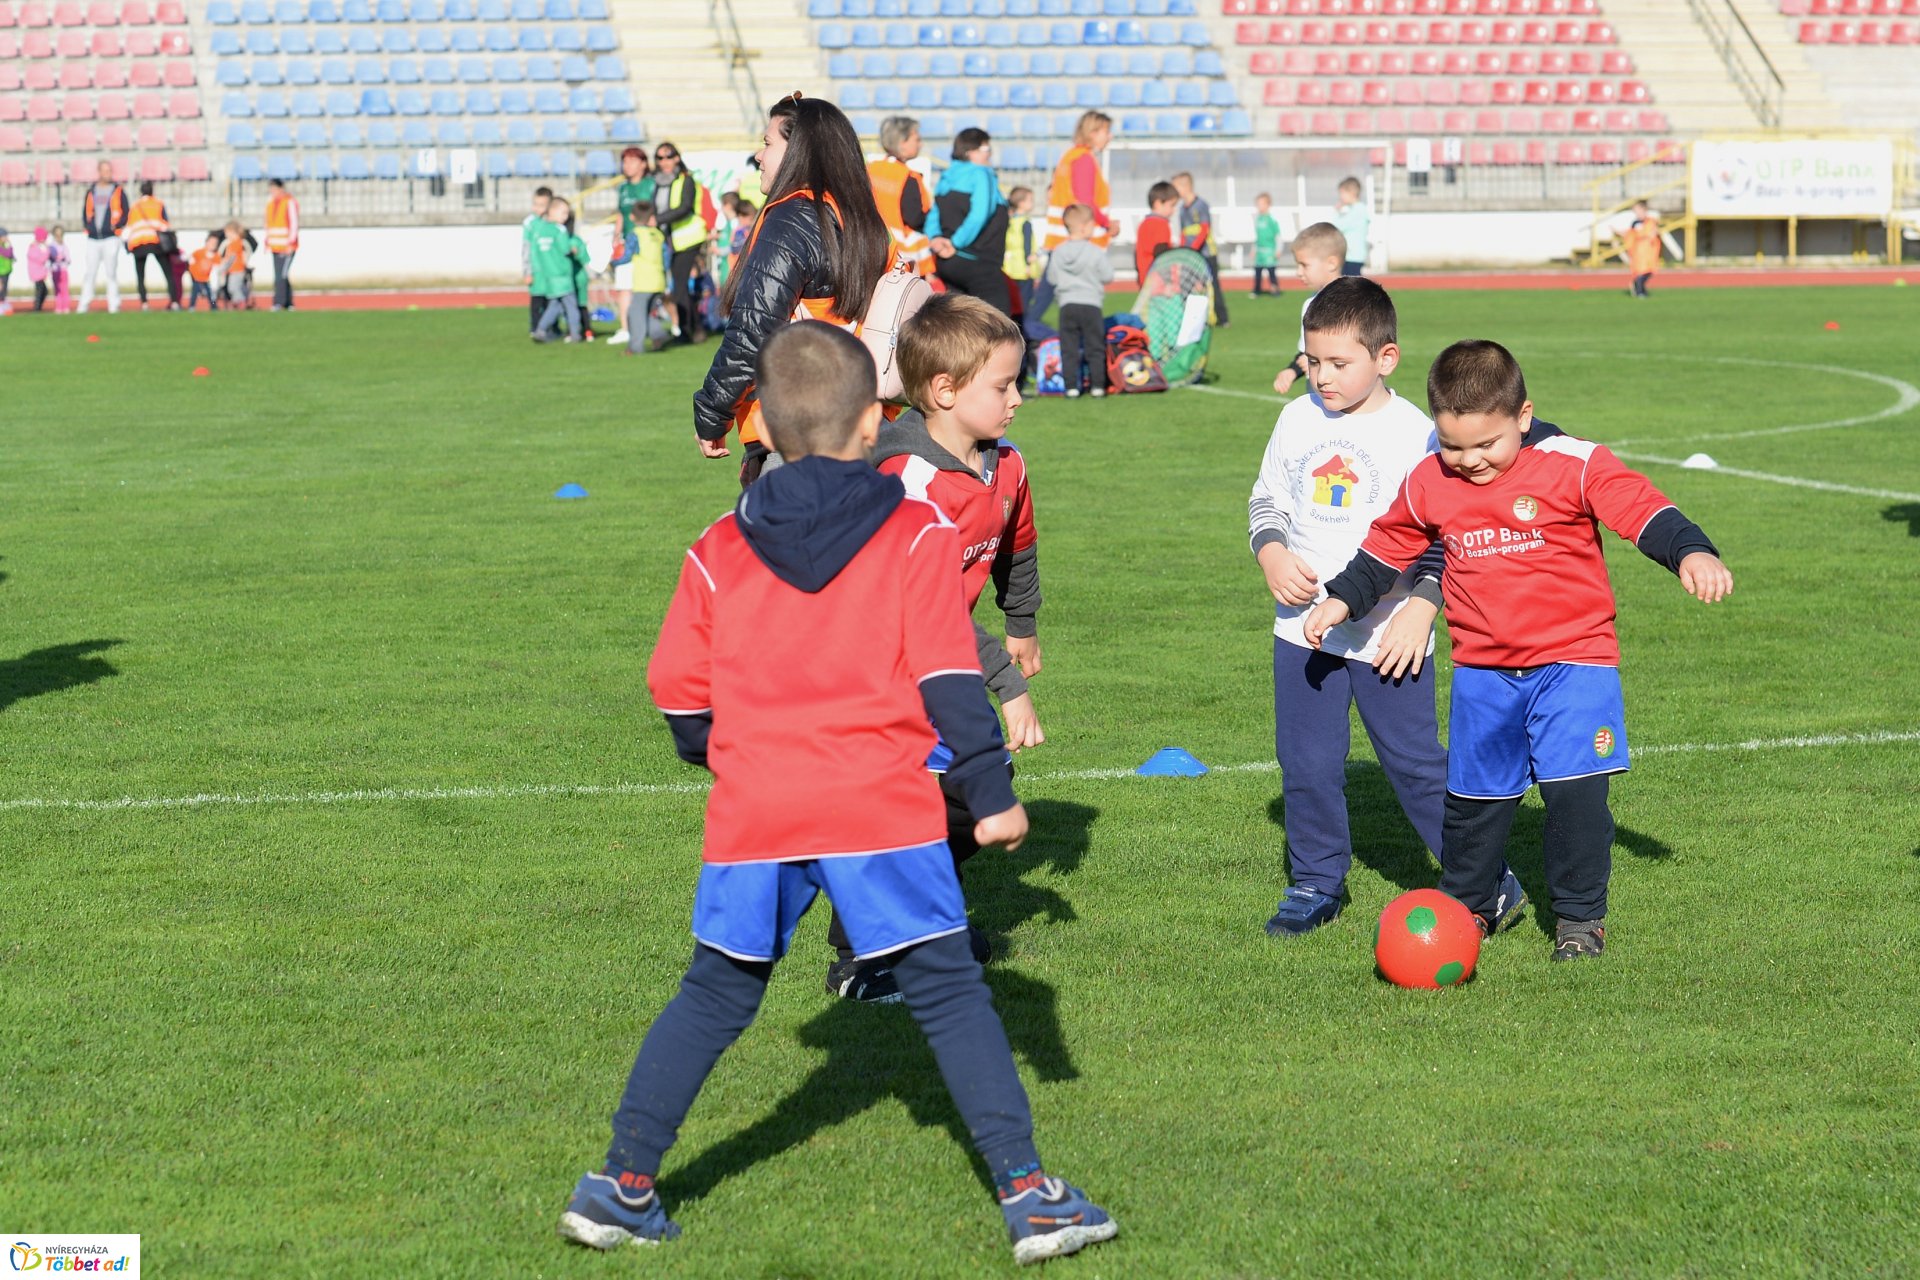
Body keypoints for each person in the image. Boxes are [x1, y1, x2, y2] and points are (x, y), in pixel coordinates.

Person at [556, 320, 1116, 1266]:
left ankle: (620, 1186)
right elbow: (948, 675)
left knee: (715, 992)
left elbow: (677, 696)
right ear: (871, 423)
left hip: (756, 809)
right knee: (949, 991)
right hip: (879, 803)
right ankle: (1032, 1199)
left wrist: (737, 755)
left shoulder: (716, 545)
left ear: (766, 428)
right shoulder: (915, 531)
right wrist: (989, 790)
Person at [1304, 339, 1734, 960]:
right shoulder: (1429, 480)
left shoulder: (1572, 463)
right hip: (1484, 670)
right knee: (1474, 803)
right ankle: (1470, 907)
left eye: (1486, 444)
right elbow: (1387, 547)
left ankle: (1579, 920)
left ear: (1523, 417)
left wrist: (1691, 551)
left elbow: (1640, 507)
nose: (1469, 461)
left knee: (1575, 795)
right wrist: (1342, 599)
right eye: (1453, 445)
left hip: (1574, 662)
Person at [1248, 278, 1525, 936]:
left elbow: (1445, 534)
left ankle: (1485, 882)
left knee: (1415, 766)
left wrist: (1422, 606)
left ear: (1386, 358)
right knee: (1307, 763)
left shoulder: (1419, 436)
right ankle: (1316, 882)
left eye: (1339, 363)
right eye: (1313, 361)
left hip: (1389, 637)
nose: (1322, 376)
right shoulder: (1295, 419)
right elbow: (1267, 499)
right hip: (1303, 630)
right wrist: (1272, 554)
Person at [822, 293, 1045, 1002]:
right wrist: (1007, 681)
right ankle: (861, 961)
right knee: (911, 803)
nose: (1017, 399)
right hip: (876, 669)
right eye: (1003, 386)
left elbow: (1017, 545)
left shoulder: (1005, 465)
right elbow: (926, 605)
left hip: (937, 660)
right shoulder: (906, 482)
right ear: (945, 391)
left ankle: (918, 922)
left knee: (971, 792)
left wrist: (1021, 622)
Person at [692, 93, 892, 485]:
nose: (759, 156)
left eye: (767, 143)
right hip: (868, 420)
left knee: (786, 526)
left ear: (800, 151)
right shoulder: (861, 217)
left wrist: (712, 411)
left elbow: (754, 329)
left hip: (803, 426)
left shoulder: (795, 217)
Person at [926, 128, 1013, 317]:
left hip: (947, 261)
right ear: (970, 151)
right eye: (986, 148)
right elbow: (979, 214)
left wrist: (936, 240)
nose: (990, 153)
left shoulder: (947, 175)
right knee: (999, 323)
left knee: (962, 323)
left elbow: (934, 214)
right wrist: (955, 243)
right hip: (976, 261)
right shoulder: (981, 174)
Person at [1045, 204, 1113, 400]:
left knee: (1069, 348)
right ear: (1084, 227)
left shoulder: (1058, 252)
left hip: (1067, 305)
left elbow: (1051, 278)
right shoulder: (1095, 251)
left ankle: (1071, 387)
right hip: (1091, 304)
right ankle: (1097, 385)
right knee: (1095, 346)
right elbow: (1108, 276)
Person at [1272, 222, 1346, 396]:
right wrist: (1292, 370)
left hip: (1345, 399)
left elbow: (1356, 352)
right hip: (1317, 397)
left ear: (1331, 263)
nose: (1298, 272)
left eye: (1304, 265)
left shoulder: (1354, 304)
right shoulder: (1310, 304)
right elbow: (1306, 350)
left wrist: (1319, 361)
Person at [651, 140, 708, 344]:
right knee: (679, 287)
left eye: (668, 156)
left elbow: (685, 207)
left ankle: (686, 331)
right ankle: (696, 328)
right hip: (672, 240)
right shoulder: (659, 182)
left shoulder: (686, 179)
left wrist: (657, 219)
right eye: (660, 157)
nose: (664, 161)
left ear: (676, 158)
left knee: (680, 287)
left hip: (688, 238)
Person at [868, 114, 934, 277]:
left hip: (872, 249)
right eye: (917, 139)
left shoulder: (870, 168)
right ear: (902, 142)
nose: (920, 144)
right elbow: (915, 218)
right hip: (902, 258)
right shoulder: (908, 177)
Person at [1042, 110, 1112, 252]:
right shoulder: (1083, 159)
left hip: (1065, 242)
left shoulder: (1072, 156)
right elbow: (1085, 202)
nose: (1110, 136)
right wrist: (1108, 224)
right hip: (1080, 246)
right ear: (1092, 133)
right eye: (1106, 132)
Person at [608, 149, 654, 345]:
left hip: (647, 243)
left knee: (648, 287)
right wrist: (616, 236)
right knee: (624, 287)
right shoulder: (623, 188)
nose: (627, 165)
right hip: (628, 243)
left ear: (643, 164)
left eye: (632, 161)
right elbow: (621, 214)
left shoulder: (651, 185)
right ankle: (626, 328)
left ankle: (653, 326)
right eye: (624, 161)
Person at [1170, 171, 1227, 326]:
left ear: (1185, 187)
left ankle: (1222, 318)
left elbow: (1204, 229)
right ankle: (1193, 319)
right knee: (1188, 286)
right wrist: (1183, 250)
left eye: (1175, 188)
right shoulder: (1182, 209)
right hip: (1190, 255)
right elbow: (1183, 232)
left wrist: (1193, 249)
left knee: (1212, 285)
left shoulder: (1201, 205)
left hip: (1206, 253)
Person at [529, 196, 587, 343]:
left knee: (554, 306)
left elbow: (535, 252)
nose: (565, 217)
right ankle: (575, 334)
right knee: (571, 306)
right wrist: (574, 249)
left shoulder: (541, 229)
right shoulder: (560, 229)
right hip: (563, 275)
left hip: (548, 275)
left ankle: (540, 330)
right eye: (563, 213)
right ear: (553, 211)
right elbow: (565, 248)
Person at [76, 160, 129, 315]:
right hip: (93, 238)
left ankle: (114, 305)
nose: (108, 174)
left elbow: (126, 212)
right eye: (105, 171)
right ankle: (84, 305)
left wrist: (116, 226)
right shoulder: (92, 191)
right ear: (99, 172)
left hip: (110, 237)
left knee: (111, 272)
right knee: (90, 272)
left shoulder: (118, 191)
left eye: (109, 170)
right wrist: (88, 226)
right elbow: (85, 212)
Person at [125, 181, 180, 311]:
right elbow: (165, 224)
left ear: (140, 191)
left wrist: (127, 245)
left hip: (138, 242)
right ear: (152, 191)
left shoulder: (135, 206)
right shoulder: (158, 204)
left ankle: (144, 303)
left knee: (140, 275)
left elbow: (129, 227)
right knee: (168, 273)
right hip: (156, 241)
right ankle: (174, 302)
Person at [622, 204, 670, 355]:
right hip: (659, 280)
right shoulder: (658, 235)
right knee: (648, 312)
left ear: (632, 217)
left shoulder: (635, 235)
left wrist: (612, 262)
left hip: (643, 281)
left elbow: (626, 256)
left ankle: (635, 347)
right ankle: (658, 335)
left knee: (635, 314)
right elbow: (666, 258)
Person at [1000, 186, 1041, 315]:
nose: (1032, 203)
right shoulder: (1025, 222)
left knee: (1012, 301)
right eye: (1030, 200)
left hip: (1010, 267)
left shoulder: (1009, 220)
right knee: (1024, 303)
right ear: (1021, 203)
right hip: (1023, 269)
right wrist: (1028, 264)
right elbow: (1026, 244)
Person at [264, 178, 300, 311]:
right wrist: (267, 240)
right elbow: (268, 223)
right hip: (275, 245)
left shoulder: (289, 202)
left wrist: (291, 242)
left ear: (281, 189)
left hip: (286, 246)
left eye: (274, 189)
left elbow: (294, 223)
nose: (272, 192)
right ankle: (289, 302)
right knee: (280, 274)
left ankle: (278, 302)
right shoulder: (270, 203)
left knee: (281, 275)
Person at [521, 185, 553, 335]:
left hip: (551, 271)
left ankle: (551, 328)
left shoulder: (552, 222)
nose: (537, 208)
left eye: (542, 205)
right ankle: (535, 328)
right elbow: (526, 249)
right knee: (537, 302)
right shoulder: (530, 223)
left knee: (552, 301)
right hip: (536, 270)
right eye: (535, 204)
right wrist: (527, 271)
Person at [1133, 181, 1178, 285]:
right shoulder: (1161, 224)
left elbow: (1137, 253)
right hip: (1158, 280)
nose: (1174, 210)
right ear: (1158, 204)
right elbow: (1161, 253)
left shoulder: (1143, 224)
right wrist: (1169, 279)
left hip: (1145, 278)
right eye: (1172, 205)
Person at [1332, 176, 1370, 276]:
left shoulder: (1358, 210)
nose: (1340, 197)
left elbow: (1337, 226)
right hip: (1350, 255)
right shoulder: (1355, 210)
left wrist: (1337, 212)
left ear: (1351, 192)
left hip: (1353, 255)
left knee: (1350, 283)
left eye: (1342, 193)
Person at [1624, 200, 1661, 298]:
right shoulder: (1635, 223)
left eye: (1638, 210)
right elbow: (1630, 234)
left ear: (1644, 210)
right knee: (1641, 271)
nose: (1636, 213)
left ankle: (1639, 287)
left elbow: (1655, 232)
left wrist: (1654, 233)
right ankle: (1640, 291)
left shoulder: (1651, 221)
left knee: (1650, 270)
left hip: (1650, 250)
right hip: (1639, 251)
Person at [1252, 192, 1282, 297]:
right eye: (1258, 204)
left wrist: (1278, 249)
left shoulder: (1272, 219)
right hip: (1260, 251)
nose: (1259, 207)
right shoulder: (1257, 219)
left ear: (1268, 205)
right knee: (1257, 272)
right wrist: (1254, 249)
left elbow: (1278, 236)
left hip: (1270, 251)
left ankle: (1275, 289)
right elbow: (1257, 237)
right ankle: (1257, 290)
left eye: (1262, 204)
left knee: (1271, 272)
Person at [186, 232, 222, 311]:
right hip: (197, 277)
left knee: (210, 293)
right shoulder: (199, 252)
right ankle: (191, 306)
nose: (213, 245)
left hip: (207, 279)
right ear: (207, 242)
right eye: (211, 242)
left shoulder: (216, 256)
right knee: (195, 292)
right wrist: (193, 272)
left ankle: (213, 306)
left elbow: (216, 268)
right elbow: (191, 261)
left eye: (215, 243)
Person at [218, 221, 250, 309]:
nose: (226, 235)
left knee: (233, 288)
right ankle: (237, 302)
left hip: (238, 269)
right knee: (232, 287)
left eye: (227, 232)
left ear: (233, 232)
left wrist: (224, 266)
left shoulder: (237, 243)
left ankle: (241, 301)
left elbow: (232, 257)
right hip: (233, 270)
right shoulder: (232, 243)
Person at [27, 226, 52, 312]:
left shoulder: (38, 246)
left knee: (43, 291)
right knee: (40, 291)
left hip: (39, 273)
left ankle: (38, 307)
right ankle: (37, 308)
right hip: (37, 274)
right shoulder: (34, 247)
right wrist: (47, 250)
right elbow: (42, 259)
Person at [48, 226, 71, 312]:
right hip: (55, 271)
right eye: (57, 234)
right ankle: (59, 307)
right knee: (57, 290)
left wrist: (63, 259)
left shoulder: (64, 246)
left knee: (65, 289)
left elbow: (68, 259)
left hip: (63, 270)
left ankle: (66, 307)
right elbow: (49, 256)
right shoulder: (51, 246)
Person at [0, 226, 13, 312]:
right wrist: (9, 245)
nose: (6, 238)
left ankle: (3, 303)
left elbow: (10, 254)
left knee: (4, 289)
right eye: (4, 236)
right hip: (1, 271)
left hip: (6, 270)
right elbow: (7, 254)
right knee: (1, 288)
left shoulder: (5, 245)